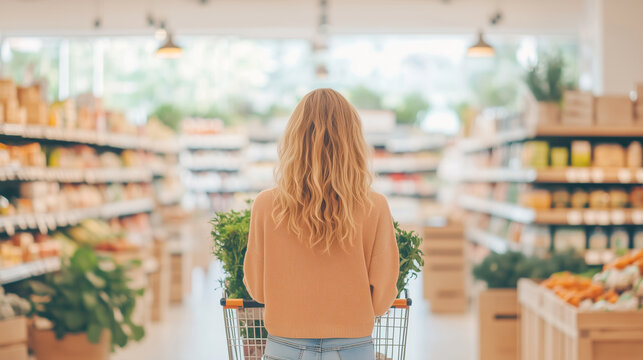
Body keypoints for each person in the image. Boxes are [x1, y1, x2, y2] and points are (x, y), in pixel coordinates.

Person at [243, 88, 399, 360]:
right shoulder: (375, 206)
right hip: (353, 347)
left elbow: (257, 288)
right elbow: (383, 295)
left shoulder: (266, 205)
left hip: (285, 347)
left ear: (293, 140)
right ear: (353, 142)